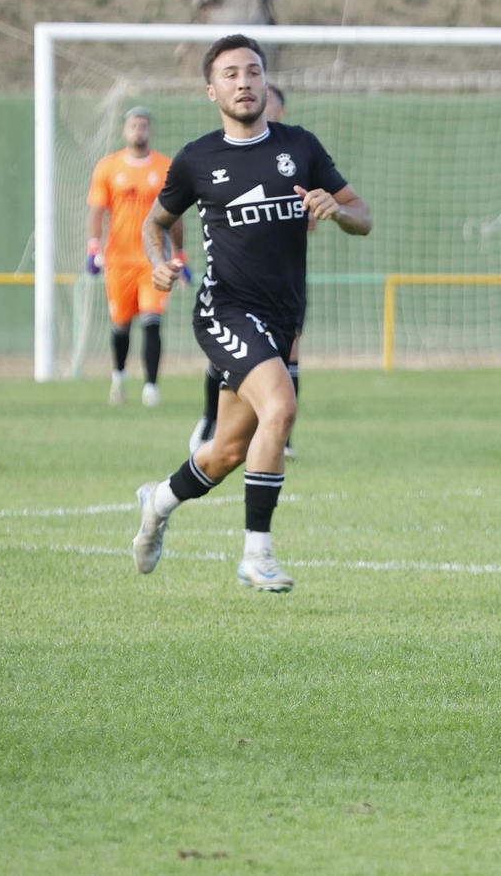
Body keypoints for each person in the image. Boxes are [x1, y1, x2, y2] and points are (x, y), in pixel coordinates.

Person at [135, 37, 371, 592]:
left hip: (281, 316)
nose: (244, 82)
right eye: (230, 74)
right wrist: (160, 263)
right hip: (225, 309)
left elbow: (363, 215)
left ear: (266, 83)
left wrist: (337, 210)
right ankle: (256, 554)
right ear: (211, 90)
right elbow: (154, 225)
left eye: (253, 71)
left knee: (228, 452)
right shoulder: (197, 158)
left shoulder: (301, 147)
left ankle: (157, 503)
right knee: (282, 408)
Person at [189, 85, 301, 456]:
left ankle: (278, 432)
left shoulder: (296, 153)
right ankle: (210, 417)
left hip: (284, 284)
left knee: (290, 352)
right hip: (233, 291)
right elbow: (165, 215)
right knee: (229, 360)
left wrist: (319, 208)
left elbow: (319, 210)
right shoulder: (214, 155)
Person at [86, 107, 183, 406]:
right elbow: (98, 210)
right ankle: (119, 377)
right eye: (133, 125)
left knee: (153, 321)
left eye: (143, 125)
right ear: (124, 131)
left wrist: (181, 253)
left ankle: (151, 388)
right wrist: (94, 248)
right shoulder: (108, 167)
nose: (138, 130)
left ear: (150, 130)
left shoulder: (167, 167)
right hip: (119, 260)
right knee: (121, 324)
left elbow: (176, 213)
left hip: (154, 258)